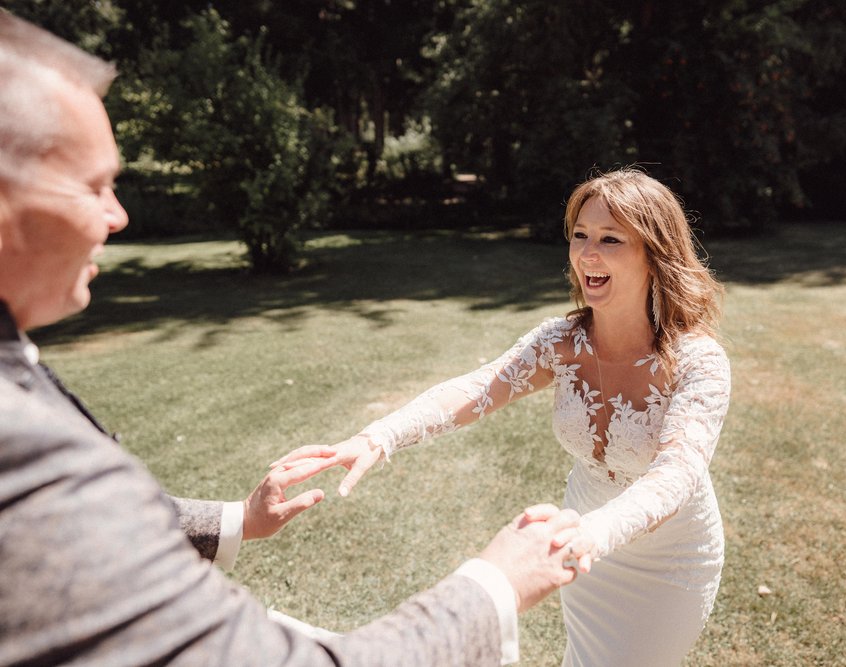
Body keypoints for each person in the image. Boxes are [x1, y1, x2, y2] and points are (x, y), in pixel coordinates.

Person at [0, 11, 582, 666]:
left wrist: (234, 519)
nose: (118, 214)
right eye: (94, 185)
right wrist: (496, 583)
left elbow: (93, 526)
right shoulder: (20, 446)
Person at [275, 167, 731, 666]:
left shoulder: (697, 361)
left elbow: (677, 474)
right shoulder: (562, 342)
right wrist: (378, 436)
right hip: (580, 538)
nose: (587, 254)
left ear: (654, 252)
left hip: (666, 559)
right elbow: (476, 390)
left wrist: (594, 533)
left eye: (610, 239)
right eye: (579, 235)